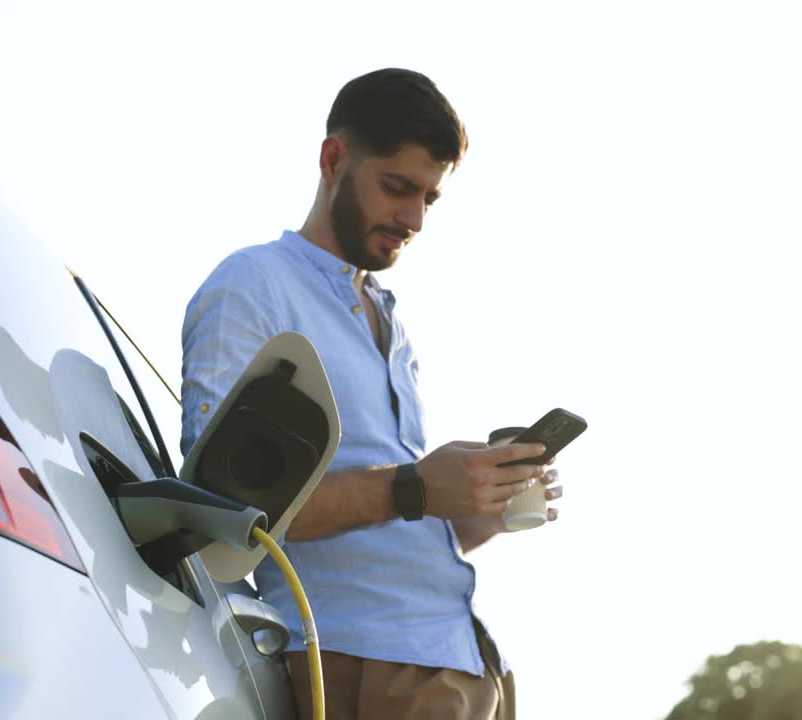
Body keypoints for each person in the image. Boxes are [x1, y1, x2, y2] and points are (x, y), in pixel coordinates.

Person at [180, 68, 563, 720]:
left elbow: (382, 519)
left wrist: (472, 509)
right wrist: (414, 486)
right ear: (334, 159)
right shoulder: (252, 285)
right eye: (397, 187)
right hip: (362, 667)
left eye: (429, 199)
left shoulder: (387, 318)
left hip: (461, 662)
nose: (413, 217)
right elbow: (225, 510)